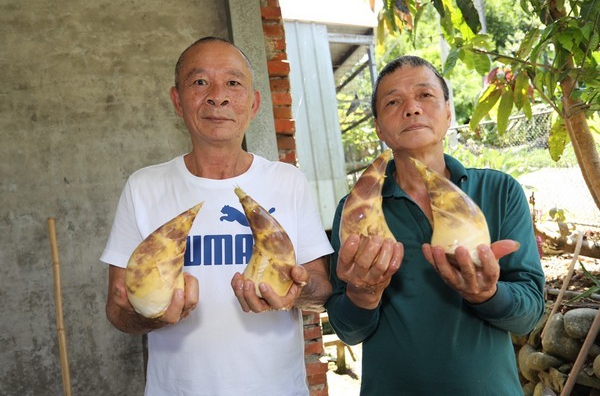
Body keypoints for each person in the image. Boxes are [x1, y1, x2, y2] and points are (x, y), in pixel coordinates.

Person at [100, 36, 333, 396]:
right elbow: (118, 311)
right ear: (177, 100)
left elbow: (321, 289)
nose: (217, 96)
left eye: (233, 82)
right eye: (199, 82)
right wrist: (151, 313)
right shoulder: (143, 187)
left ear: (253, 103)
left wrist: (295, 292)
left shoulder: (287, 181)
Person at [325, 55, 545, 395]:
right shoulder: (357, 211)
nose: (412, 108)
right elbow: (347, 330)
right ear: (380, 128)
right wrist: (362, 294)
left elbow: (528, 315)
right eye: (393, 101)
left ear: (448, 113)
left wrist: (487, 294)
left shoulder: (500, 192)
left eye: (425, 95)